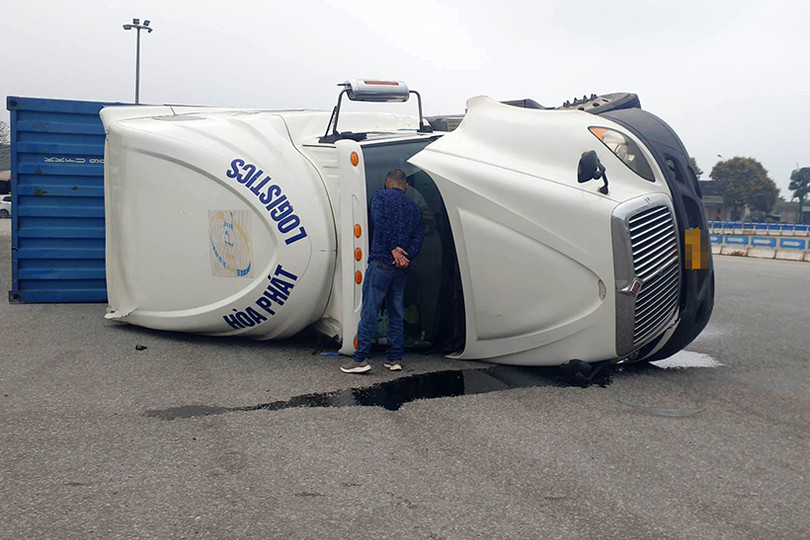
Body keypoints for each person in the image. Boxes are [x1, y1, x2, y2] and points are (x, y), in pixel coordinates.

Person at [341, 169, 424, 374]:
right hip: (400, 268)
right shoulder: (415, 208)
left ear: (387, 183)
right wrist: (406, 257)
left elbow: (380, 222)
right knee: (396, 312)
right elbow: (418, 238)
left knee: (370, 310)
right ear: (406, 186)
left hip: (382, 263)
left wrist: (393, 249)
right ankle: (394, 359)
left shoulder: (380, 197)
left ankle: (361, 359)